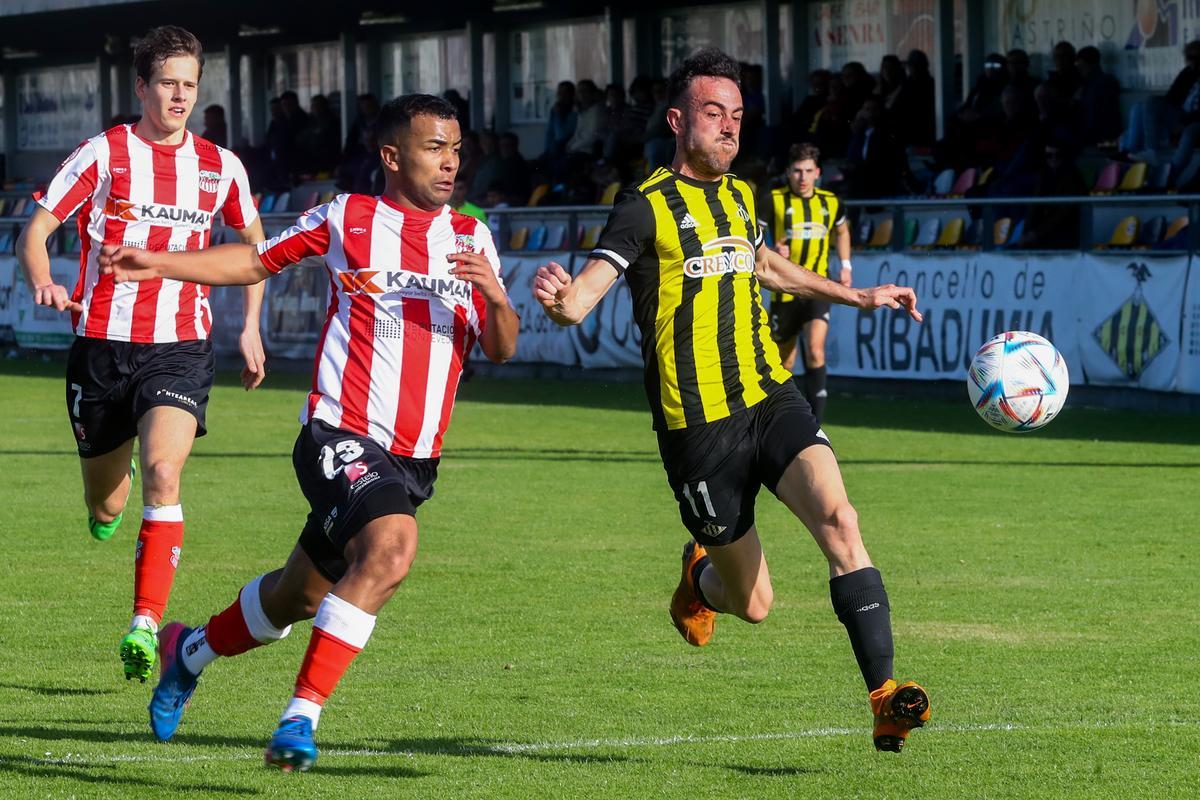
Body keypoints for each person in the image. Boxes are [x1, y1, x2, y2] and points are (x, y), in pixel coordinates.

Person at [98, 93, 519, 771]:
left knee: (297, 595)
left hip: (415, 461)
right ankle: (299, 719)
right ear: (392, 156)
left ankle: (189, 651)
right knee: (390, 549)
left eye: (457, 148)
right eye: (435, 147)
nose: (451, 162)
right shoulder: (347, 218)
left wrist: (497, 297)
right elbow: (255, 261)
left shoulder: (472, 238)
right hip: (339, 434)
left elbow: (500, 347)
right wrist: (163, 261)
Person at [533, 47, 930, 753]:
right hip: (699, 429)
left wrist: (857, 294)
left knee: (841, 518)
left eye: (738, 117)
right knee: (754, 604)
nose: (729, 129)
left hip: (767, 396)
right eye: (714, 114)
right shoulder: (645, 207)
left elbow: (768, 265)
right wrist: (563, 304)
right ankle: (701, 577)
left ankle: (883, 696)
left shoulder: (744, 197)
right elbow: (587, 292)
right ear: (679, 120)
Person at [15, 25, 267, 683]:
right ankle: (106, 508)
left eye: (189, 84)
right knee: (106, 505)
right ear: (142, 87)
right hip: (101, 350)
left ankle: (145, 623)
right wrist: (44, 277)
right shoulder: (104, 154)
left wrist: (250, 328)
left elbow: (256, 250)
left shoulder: (221, 167)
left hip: (180, 349)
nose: (180, 96)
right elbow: (37, 229)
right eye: (167, 84)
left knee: (164, 470)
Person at [762, 143, 851, 424]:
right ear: (788, 172)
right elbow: (751, 237)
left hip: (817, 288)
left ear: (818, 173)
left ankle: (816, 426)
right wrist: (772, 251)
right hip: (783, 289)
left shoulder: (830, 202)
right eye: (797, 171)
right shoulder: (773, 200)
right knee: (784, 362)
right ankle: (780, 422)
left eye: (808, 171)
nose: (802, 177)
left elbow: (842, 230)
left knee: (815, 349)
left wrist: (846, 265)